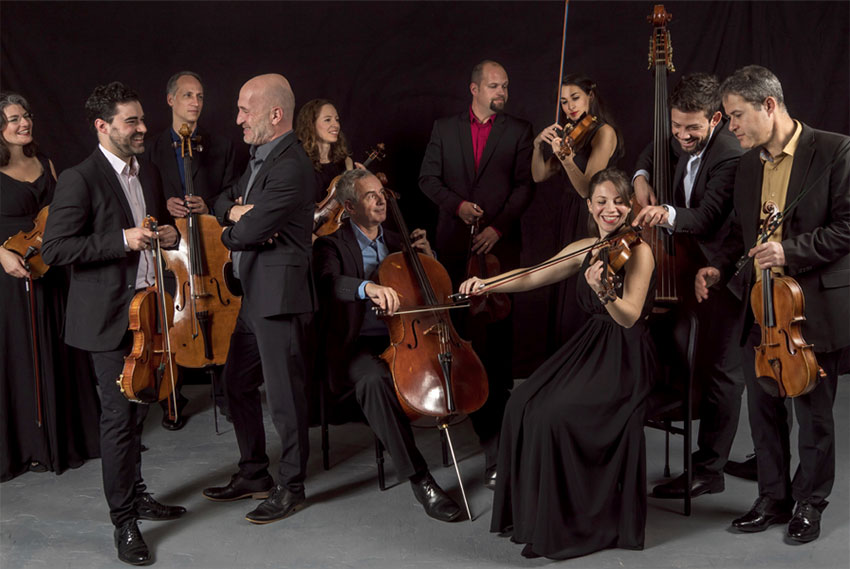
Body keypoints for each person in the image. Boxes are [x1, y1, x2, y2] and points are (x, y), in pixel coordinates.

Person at [459, 168, 656, 559]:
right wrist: (487, 284)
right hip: (590, 347)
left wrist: (604, 292)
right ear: (590, 206)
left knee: (553, 414)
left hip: (624, 356)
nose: (610, 209)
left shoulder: (641, 251)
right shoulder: (585, 248)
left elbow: (630, 316)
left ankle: (570, 526)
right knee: (521, 402)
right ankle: (532, 519)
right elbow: (534, 276)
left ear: (629, 205)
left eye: (618, 201)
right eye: (601, 201)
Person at [696, 65, 849, 544]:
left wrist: (791, 251)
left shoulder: (834, 150)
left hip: (809, 310)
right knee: (762, 410)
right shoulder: (747, 164)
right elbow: (739, 235)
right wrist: (718, 267)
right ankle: (773, 498)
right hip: (759, 307)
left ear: (769, 105)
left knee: (814, 416)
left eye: (737, 115)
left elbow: (847, 228)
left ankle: (810, 503)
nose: (731, 126)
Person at [41, 82, 185, 566]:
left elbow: (153, 236)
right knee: (118, 419)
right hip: (106, 320)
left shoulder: (150, 173)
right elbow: (56, 249)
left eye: (143, 119)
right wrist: (121, 240)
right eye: (132, 121)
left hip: (149, 312)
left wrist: (165, 234)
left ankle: (137, 492)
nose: (144, 128)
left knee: (141, 406)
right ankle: (124, 521)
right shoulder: (80, 179)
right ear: (102, 127)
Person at [313, 168, 462, 522]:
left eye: (381, 192)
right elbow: (329, 283)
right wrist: (368, 288)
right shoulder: (331, 245)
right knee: (374, 380)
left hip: (406, 339)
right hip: (357, 345)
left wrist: (428, 258)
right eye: (370, 195)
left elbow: (430, 294)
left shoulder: (400, 242)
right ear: (349, 206)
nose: (381, 199)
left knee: (449, 360)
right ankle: (420, 478)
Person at [203, 73, 318, 525]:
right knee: (235, 384)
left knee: (285, 398)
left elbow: (245, 233)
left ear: (275, 113)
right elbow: (219, 201)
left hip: (280, 299)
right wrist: (236, 213)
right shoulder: (259, 159)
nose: (237, 120)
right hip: (254, 297)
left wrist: (236, 225)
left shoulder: (291, 166)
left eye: (244, 110)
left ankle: (292, 486)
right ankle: (254, 474)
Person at [630, 73, 747, 499]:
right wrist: (641, 174)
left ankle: (710, 470)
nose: (681, 136)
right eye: (676, 126)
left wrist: (664, 212)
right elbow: (653, 147)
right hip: (688, 263)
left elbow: (708, 217)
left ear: (715, 119)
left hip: (723, 268)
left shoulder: (729, 155)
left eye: (691, 128)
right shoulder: (681, 134)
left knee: (721, 370)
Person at [419, 60, 533, 488]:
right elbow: (427, 179)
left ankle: (499, 427)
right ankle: (461, 406)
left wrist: (495, 227)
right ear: (474, 88)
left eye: (505, 85)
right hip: (451, 246)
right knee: (456, 331)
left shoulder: (519, 130)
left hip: (498, 249)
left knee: (497, 339)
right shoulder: (444, 128)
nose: (502, 91)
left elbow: (525, 186)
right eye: (494, 85)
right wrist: (457, 206)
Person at [0, 92, 100, 482]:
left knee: (60, 350)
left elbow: (63, 217)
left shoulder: (47, 164)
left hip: (51, 270)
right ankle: (27, 445)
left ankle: (65, 438)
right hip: (10, 274)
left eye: (26, 116)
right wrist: (0, 255)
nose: (23, 124)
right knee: (19, 356)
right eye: (12, 119)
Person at [145, 70, 238, 430]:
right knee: (171, 317)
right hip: (174, 248)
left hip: (212, 244)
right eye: (187, 96)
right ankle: (173, 396)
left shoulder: (223, 146)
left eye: (199, 96)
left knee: (223, 311)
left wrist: (210, 204)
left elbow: (233, 193)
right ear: (170, 100)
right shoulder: (152, 149)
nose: (195, 103)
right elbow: (144, 200)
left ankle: (226, 392)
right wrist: (165, 204)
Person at [531, 74, 624, 347]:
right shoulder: (571, 134)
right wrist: (538, 146)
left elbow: (588, 189)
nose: (569, 107)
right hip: (568, 213)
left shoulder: (604, 132)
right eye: (563, 102)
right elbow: (538, 175)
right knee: (562, 282)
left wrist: (567, 159)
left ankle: (587, 353)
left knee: (583, 284)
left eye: (575, 98)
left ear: (590, 97)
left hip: (591, 216)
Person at [295, 98, 357, 201]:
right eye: (327, 120)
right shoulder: (298, 163)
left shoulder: (346, 163)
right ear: (311, 124)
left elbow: (350, 206)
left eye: (337, 119)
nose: (336, 125)